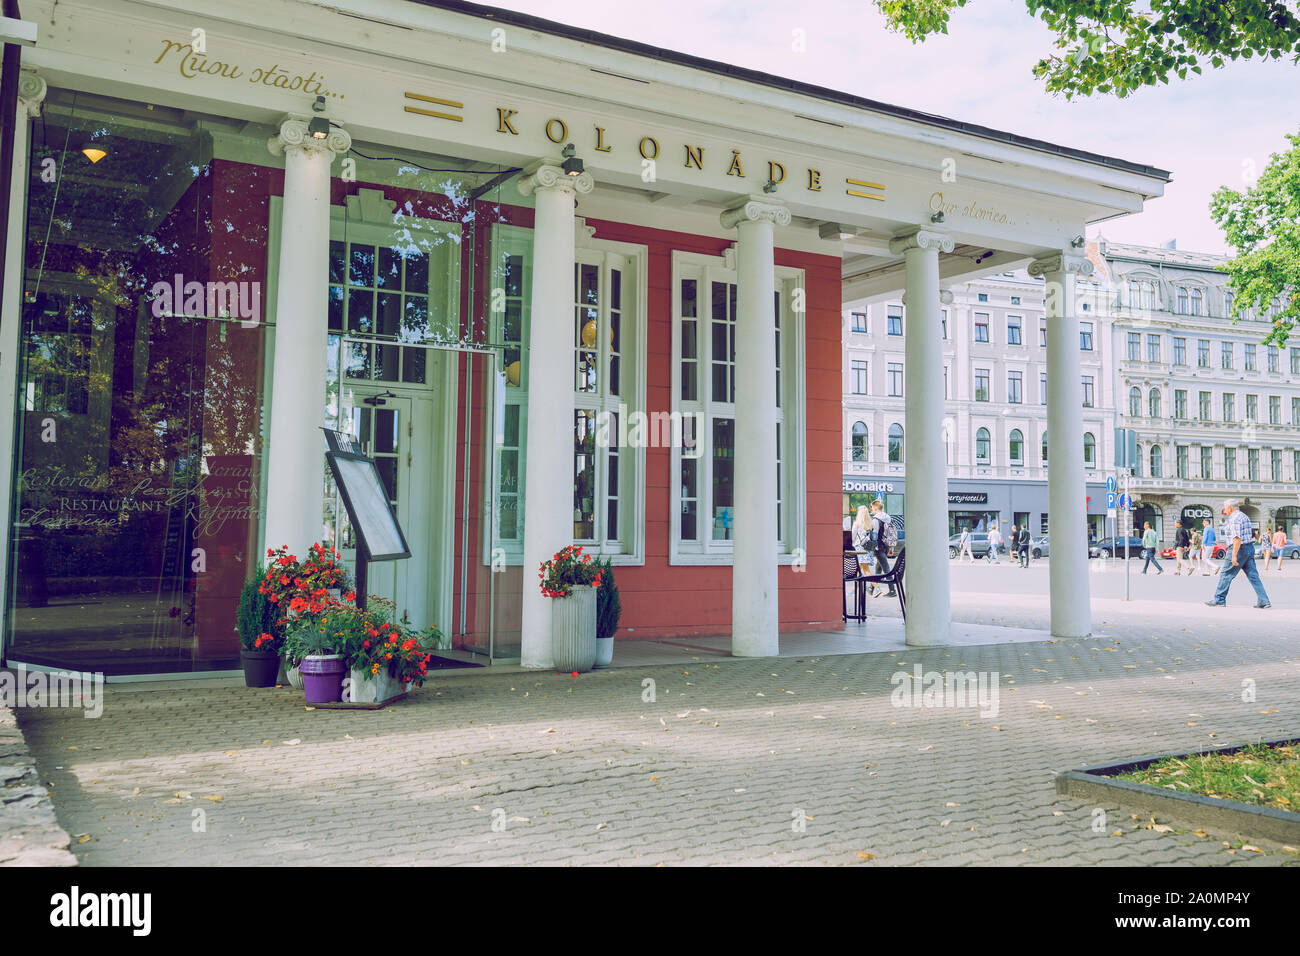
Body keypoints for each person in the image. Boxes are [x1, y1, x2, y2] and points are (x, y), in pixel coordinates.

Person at [1206, 499, 1270, 608]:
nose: (1224, 510)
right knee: (1253, 576)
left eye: (1225, 508)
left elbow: (1237, 538)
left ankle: (1219, 599)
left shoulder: (1234, 519)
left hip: (1238, 549)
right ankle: (1263, 600)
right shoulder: (1244, 516)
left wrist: (1234, 555)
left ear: (1230, 508)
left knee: (1226, 574)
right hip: (1249, 548)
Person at [869, 499, 896, 598]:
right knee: (878, 567)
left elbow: (874, 535)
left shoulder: (876, 520)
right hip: (886, 545)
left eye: (872, 508)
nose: (871, 510)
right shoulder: (888, 518)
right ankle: (872, 587)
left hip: (878, 546)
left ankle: (892, 590)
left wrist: (872, 546)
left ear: (875, 508)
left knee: (886, 568)